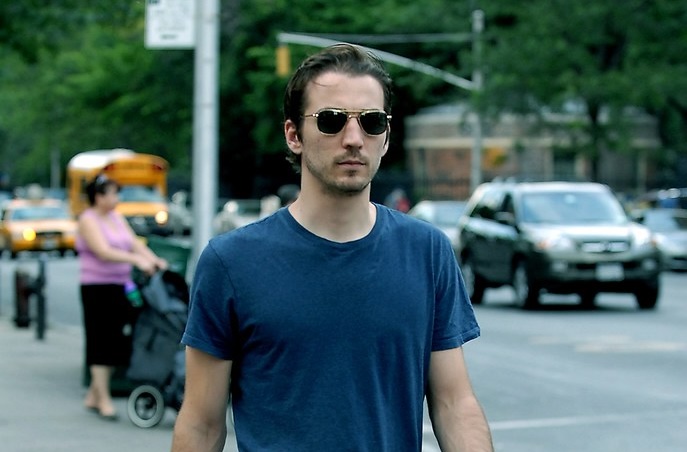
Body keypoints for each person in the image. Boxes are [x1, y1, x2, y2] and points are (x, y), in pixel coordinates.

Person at [172, 44, 493, 451]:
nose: (354, 139)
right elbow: (201, 424)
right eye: (331, 121)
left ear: (386, 136)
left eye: (372, 122)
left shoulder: (427, 251)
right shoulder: (231, 262)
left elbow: (453, 403)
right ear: (294, 135)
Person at [77, 173, 168, 420]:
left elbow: (134, 243)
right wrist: (136, 261)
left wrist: (153, 259)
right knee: (100, 339)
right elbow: (103, 251)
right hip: (96, 287)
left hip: (120, 285)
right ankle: (102, 397)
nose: (117, 198)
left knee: (117, 336)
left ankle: (94, 395)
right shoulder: (88, 219)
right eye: (113, 193)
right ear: (98, 196)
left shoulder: (116, 217)